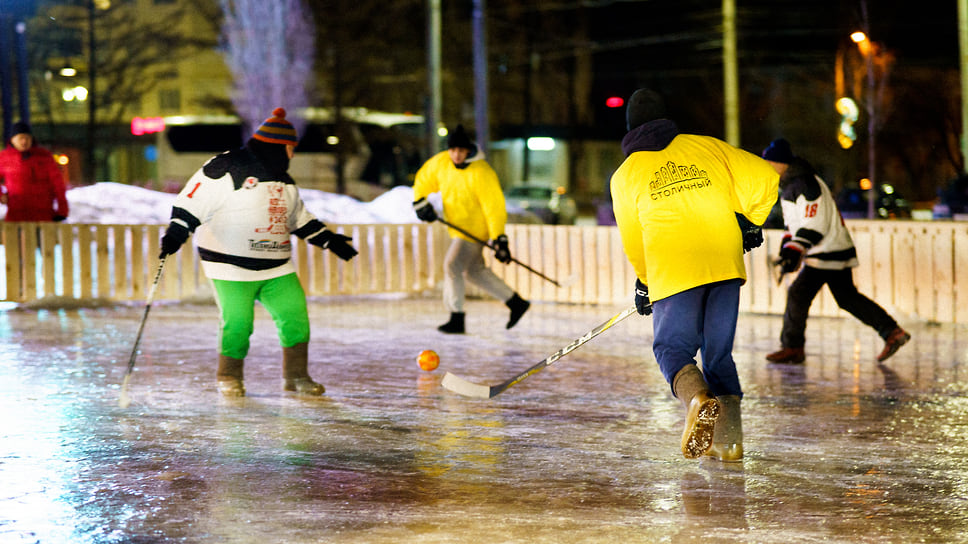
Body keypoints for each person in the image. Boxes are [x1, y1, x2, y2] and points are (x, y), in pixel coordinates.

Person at [610, 88, 779, 462]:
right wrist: (750, 221)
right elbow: (767, 176)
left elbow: (633, 238)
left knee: (672, 348)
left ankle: (697, 400)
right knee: (718, 356)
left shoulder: (625, 175)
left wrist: (645, 282)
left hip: (675, 266)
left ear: (630, 127)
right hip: (724, 261)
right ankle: (729, 443)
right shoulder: (707, 146)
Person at [158, 107, 358, 398]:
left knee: (295, 316)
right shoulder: (228, 166)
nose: (292, 154)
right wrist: (177, 232)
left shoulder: (284, 182)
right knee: (238, 323)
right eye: (291, 148)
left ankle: (296, 376)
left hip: (276, 266)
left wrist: (330, 241)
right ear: (280, 146)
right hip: (229, 266)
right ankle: (229, 375)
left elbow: (298, 219)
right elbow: (192, 201)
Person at [761, 138, 910, 364]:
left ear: (781, 163)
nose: (767, 168)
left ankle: (792, 348)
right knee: (847, 298)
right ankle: (891, 331)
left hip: (827, 251)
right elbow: (795, 224)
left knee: (799, 294)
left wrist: (795, 249)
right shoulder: (793, 184)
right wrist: (789, 249)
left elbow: (815, 223)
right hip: (831, 249)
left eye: (769, 163)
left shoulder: (804, 183)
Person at [411, 124, 529, 334]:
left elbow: (494, 207)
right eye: (452, 150)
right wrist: (420, 203)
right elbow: (423, 180)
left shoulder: (482, 172)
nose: (456, 155)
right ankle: (516, 303)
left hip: (475, 230)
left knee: (452, 265)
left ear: (468, 150)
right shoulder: (441, 163)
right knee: (475, 272)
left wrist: (499, 237)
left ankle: (456, 317)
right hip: (458, 228)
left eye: (461, 150)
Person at [0, 121, 69, 222]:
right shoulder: (4, 158)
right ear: (12, 140)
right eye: (20, 138)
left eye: (27, 138)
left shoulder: (44, 156)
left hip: (43, 214)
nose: (24, 141)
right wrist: (1, 195)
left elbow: (58, 184)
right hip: (16, 214)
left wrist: (62, 210)